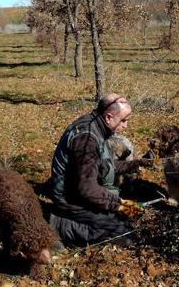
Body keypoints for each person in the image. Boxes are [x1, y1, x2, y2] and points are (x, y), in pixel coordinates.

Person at [47, 93, 152, 246]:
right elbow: (87, 189)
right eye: (123, 120)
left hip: (80, 191)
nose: (126, 125)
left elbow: (104, 166)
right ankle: (57, 225)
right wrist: (120, 204)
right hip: (70, 200)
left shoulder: (96, 125)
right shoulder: (86, 139)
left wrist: (136, 164)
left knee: (127, 219)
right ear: (109, 117)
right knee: (124, 234)